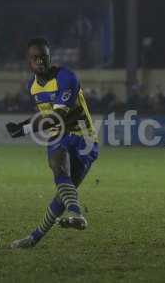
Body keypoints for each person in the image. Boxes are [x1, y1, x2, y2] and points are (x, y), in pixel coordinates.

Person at [6, 37, 99, 248]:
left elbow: (55, 117)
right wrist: (23, 125)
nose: (39, 61)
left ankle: (35, 237)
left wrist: (25, 128)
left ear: (50, 58)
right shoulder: (32, 87)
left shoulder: (66, 77)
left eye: (43, 57)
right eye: (34, 58)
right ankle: (76, 215)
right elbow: (48, 118)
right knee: (59, 169)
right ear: (28, 61)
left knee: (63, 195)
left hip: (84, 138)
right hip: (59, 135)